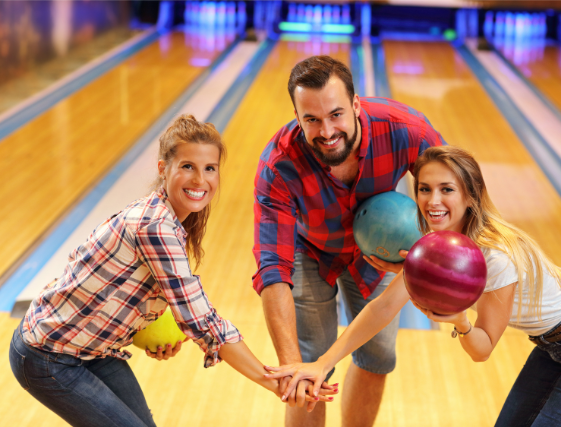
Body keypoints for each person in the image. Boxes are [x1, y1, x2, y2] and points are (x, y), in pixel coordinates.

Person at [266, 145, 561, 426]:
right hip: (553, 343)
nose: (433, 200)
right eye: (424, 189)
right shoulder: (434, 245)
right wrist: (322, 363)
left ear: (470, 196)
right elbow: (381, 308)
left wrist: (460, 319)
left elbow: (482, 350)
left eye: (447, 189)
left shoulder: (495, 256)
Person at [9, 115, 334, 427]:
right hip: (49, 354)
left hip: (93, 349)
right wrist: (275, 381)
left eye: (210, 168)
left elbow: (122, 290)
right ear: (164, 169)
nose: (200, 180)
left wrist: (145, 329)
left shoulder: (171, 220)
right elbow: (202, 321)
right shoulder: (155, 227)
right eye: (188, 167)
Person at [253, 55, 445, 427]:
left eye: (336, 115)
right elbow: (272, 267)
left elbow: (454, 199)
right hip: (308, 250)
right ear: (296, 116)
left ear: (356, 105)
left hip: (379, 249)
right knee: (308, 365)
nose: (326, 131)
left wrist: (423, 258)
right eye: (311, 119)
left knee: (378, 356)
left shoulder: (405, 130)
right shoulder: (278, 165)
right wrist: (292, 367)